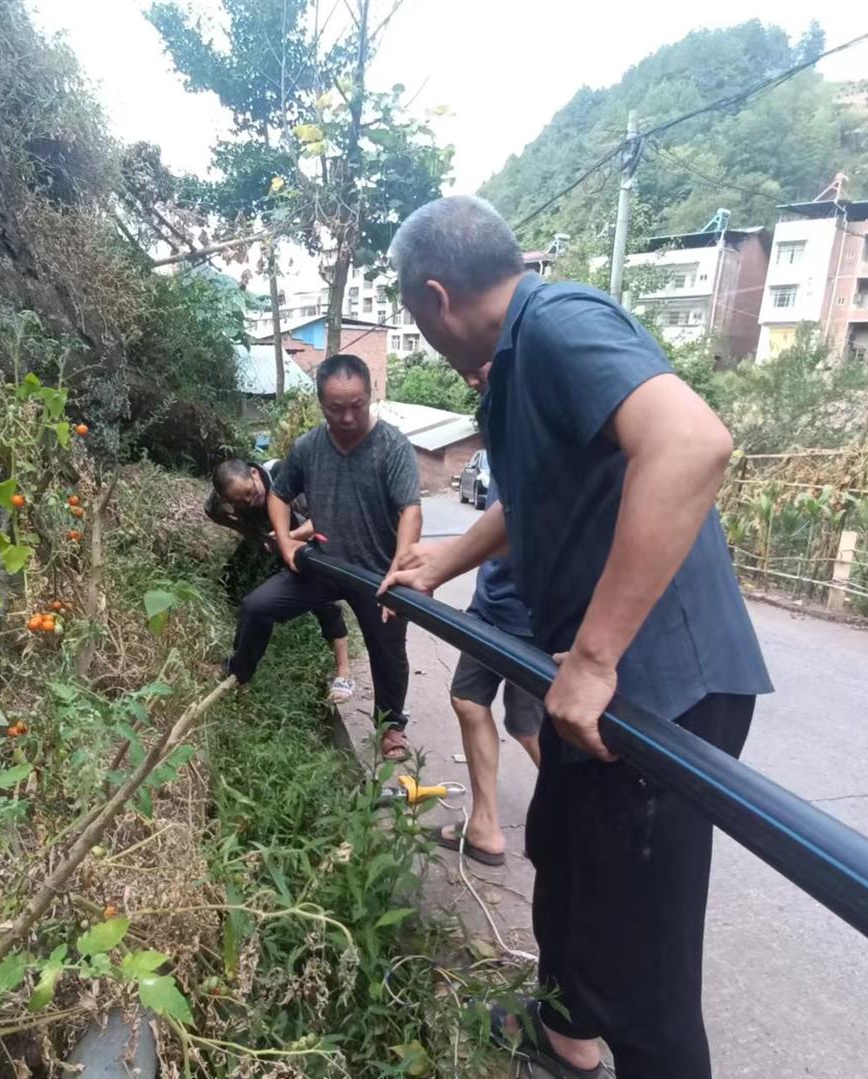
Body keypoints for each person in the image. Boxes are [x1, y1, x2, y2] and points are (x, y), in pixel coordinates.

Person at [382, 196, 772, 1079]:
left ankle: (623, 1046)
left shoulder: (557, 322)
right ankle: (563, 1036)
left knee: (643, 951)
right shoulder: (513, 368)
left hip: (661, 687)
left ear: (434, 298)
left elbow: (691, 445)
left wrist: (595, 656)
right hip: (587, 687)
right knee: (559, 849)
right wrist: (442, 562)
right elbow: (535, 502)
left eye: (413, 316)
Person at [231, 353, 423, 760]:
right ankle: (237, 679)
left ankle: (390, 728)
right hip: (325, 563)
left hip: (377, 573)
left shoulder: (393, 447)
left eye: (357, 405)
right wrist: (286, 544)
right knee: (256, 607)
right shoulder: (308, 447)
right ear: (322, 404)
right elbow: (280, 496)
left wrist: (400, 567)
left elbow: (411, 510)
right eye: (337, 408)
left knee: (388, 649)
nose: (349, 417)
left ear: (370, 397)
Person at [439, 478, 544, 867]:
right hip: (491, 606)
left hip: (534, 618)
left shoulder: (539, 431)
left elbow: (523, 523)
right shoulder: (503, 438)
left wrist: (437, 566)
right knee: (468, 701)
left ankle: (576, 821)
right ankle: (484, 826)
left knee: (528, 727)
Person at [205, 457, 354, 703]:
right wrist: (250, 533)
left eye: (250, 494)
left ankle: (344, 673)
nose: (248, 502)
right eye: (239, 502)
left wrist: (288, 536)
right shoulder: (228, 495)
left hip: (317, 545)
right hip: (281, 546)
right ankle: (238, 673)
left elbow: (327, 517)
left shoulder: (289, 476)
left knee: (325, 606)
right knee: (254, 607)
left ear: (254, 473)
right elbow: (212, 510)